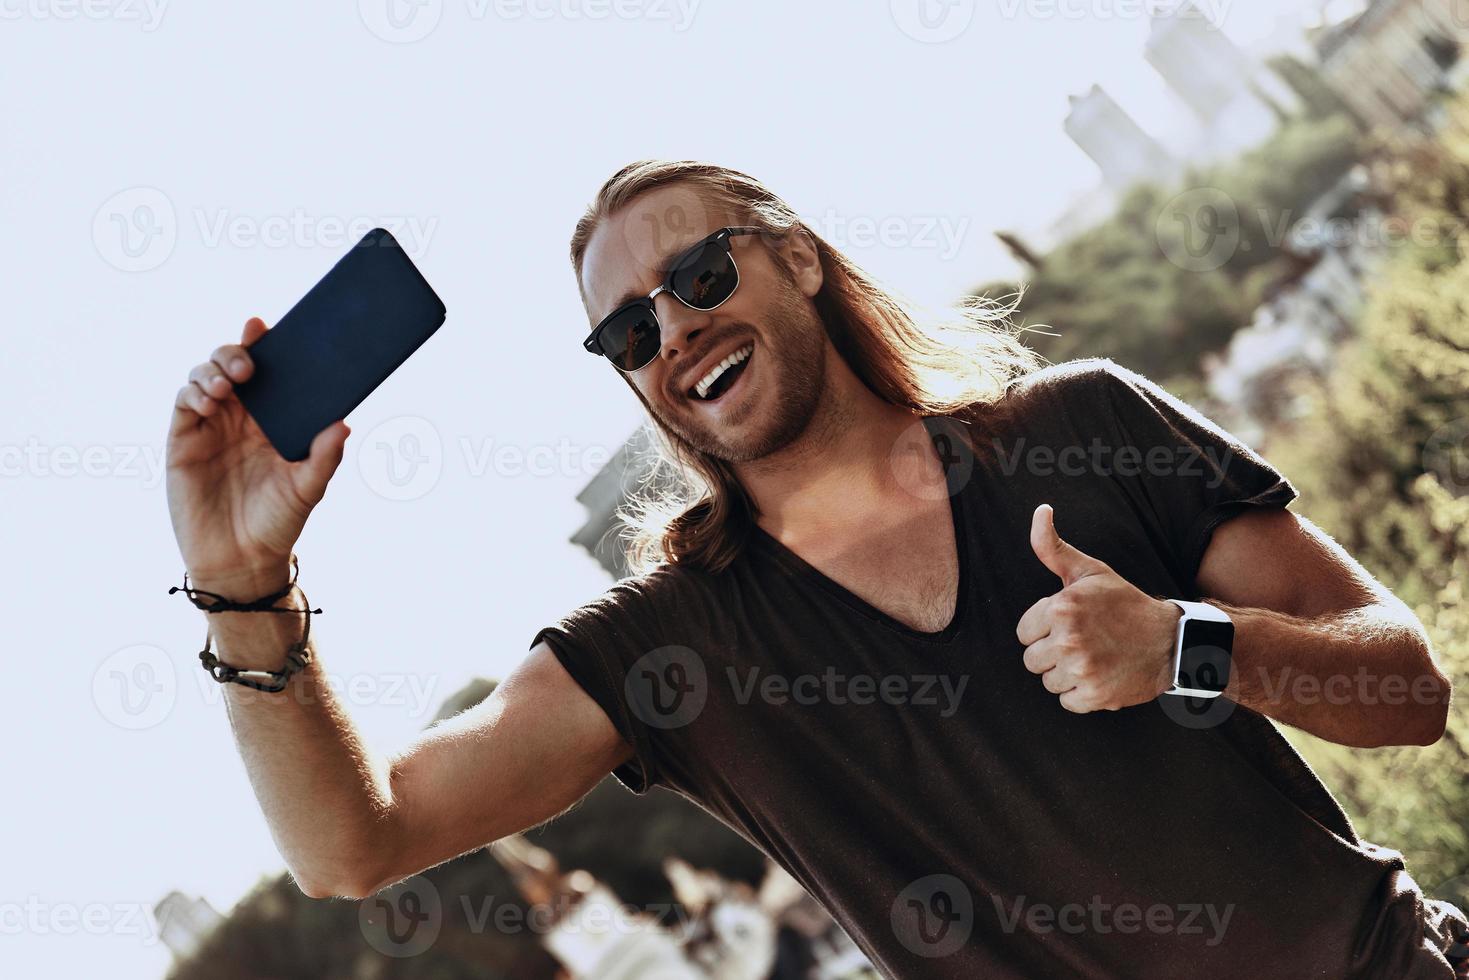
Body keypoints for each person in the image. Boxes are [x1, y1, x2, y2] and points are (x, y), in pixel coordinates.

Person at [165, 159, 1469, 978]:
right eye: (628, 331)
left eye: (699, 273)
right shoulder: (666, 648)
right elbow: (352, 843)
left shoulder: (1083, 427)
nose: (672, 328)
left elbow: (1405, 691)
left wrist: (1186, 645)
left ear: (793, 255)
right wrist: (240, 584)